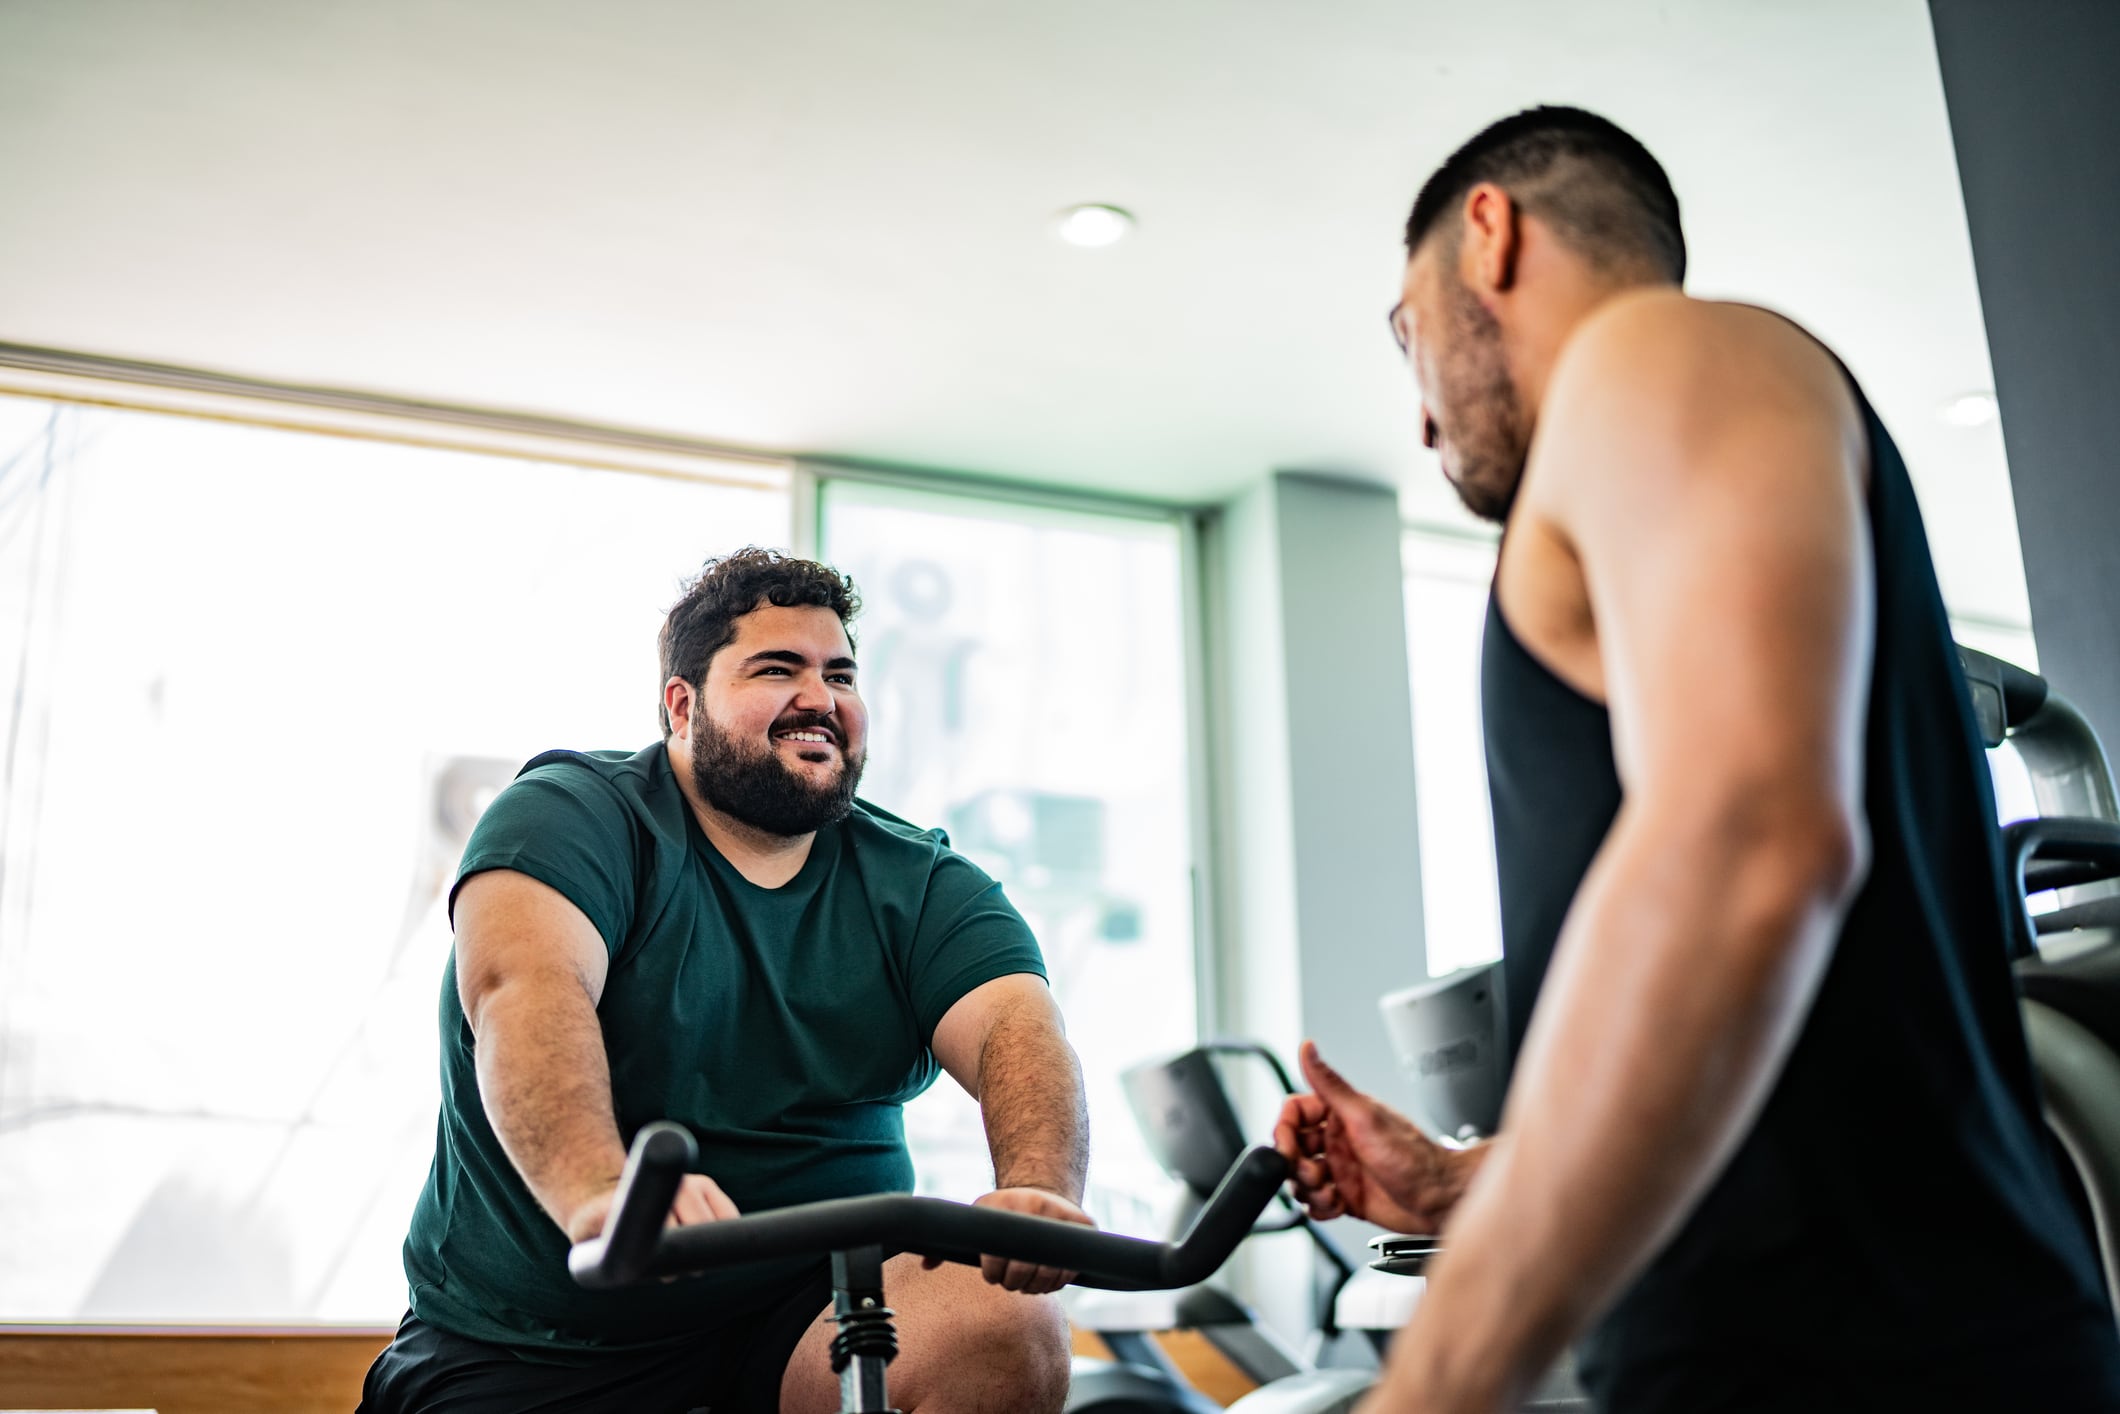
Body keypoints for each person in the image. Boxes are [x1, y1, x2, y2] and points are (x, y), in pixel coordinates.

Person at [1274, 106, 2120, 1413]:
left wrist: (1431, 1387)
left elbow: (1747, 853)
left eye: (1409, 331)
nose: (1426, 425)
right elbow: (1804, 1061)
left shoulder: (1657, 354)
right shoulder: (1684, 427)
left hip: (1856, 1358)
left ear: (1488, 235)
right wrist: (1465, 1178)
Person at [359, 548, 1088, 1414]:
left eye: (841, 675)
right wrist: (599, 1188)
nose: (820, 698)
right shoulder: (575, 816)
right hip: (533, 1345)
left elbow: (1017, 1028)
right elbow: (522, 989)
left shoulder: (922, 883)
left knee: (1006, 1325)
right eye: (778, 669)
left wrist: (1038, 1188)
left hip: (809, 1319)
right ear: (682, 703)